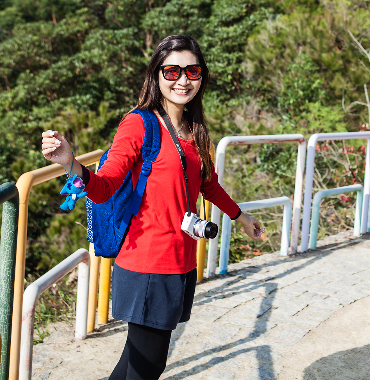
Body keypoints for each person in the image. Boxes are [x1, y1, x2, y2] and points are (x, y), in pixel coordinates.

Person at [41, 34, 262, 380]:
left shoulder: (196, 130)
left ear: (202, 77)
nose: (183, 80)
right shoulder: (140, 124)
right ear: (156, 76)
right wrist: (70, 163)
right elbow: (104, 186)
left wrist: (240, 215)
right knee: (148, 366)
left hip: (179, 260)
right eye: (172, 71)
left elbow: (207, 185)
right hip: (148, 264)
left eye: (192, 71)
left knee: (133, 361)